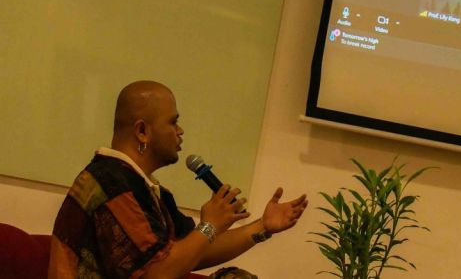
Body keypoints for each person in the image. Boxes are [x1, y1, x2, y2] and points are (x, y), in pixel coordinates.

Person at [49, 80, 308, 278]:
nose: (180, 131)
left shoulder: (144, 187)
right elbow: (156, 274)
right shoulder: (111, 183)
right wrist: (209, 226)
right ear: (142, 131)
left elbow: (194, 252)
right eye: (173, 122)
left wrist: (263, 226)